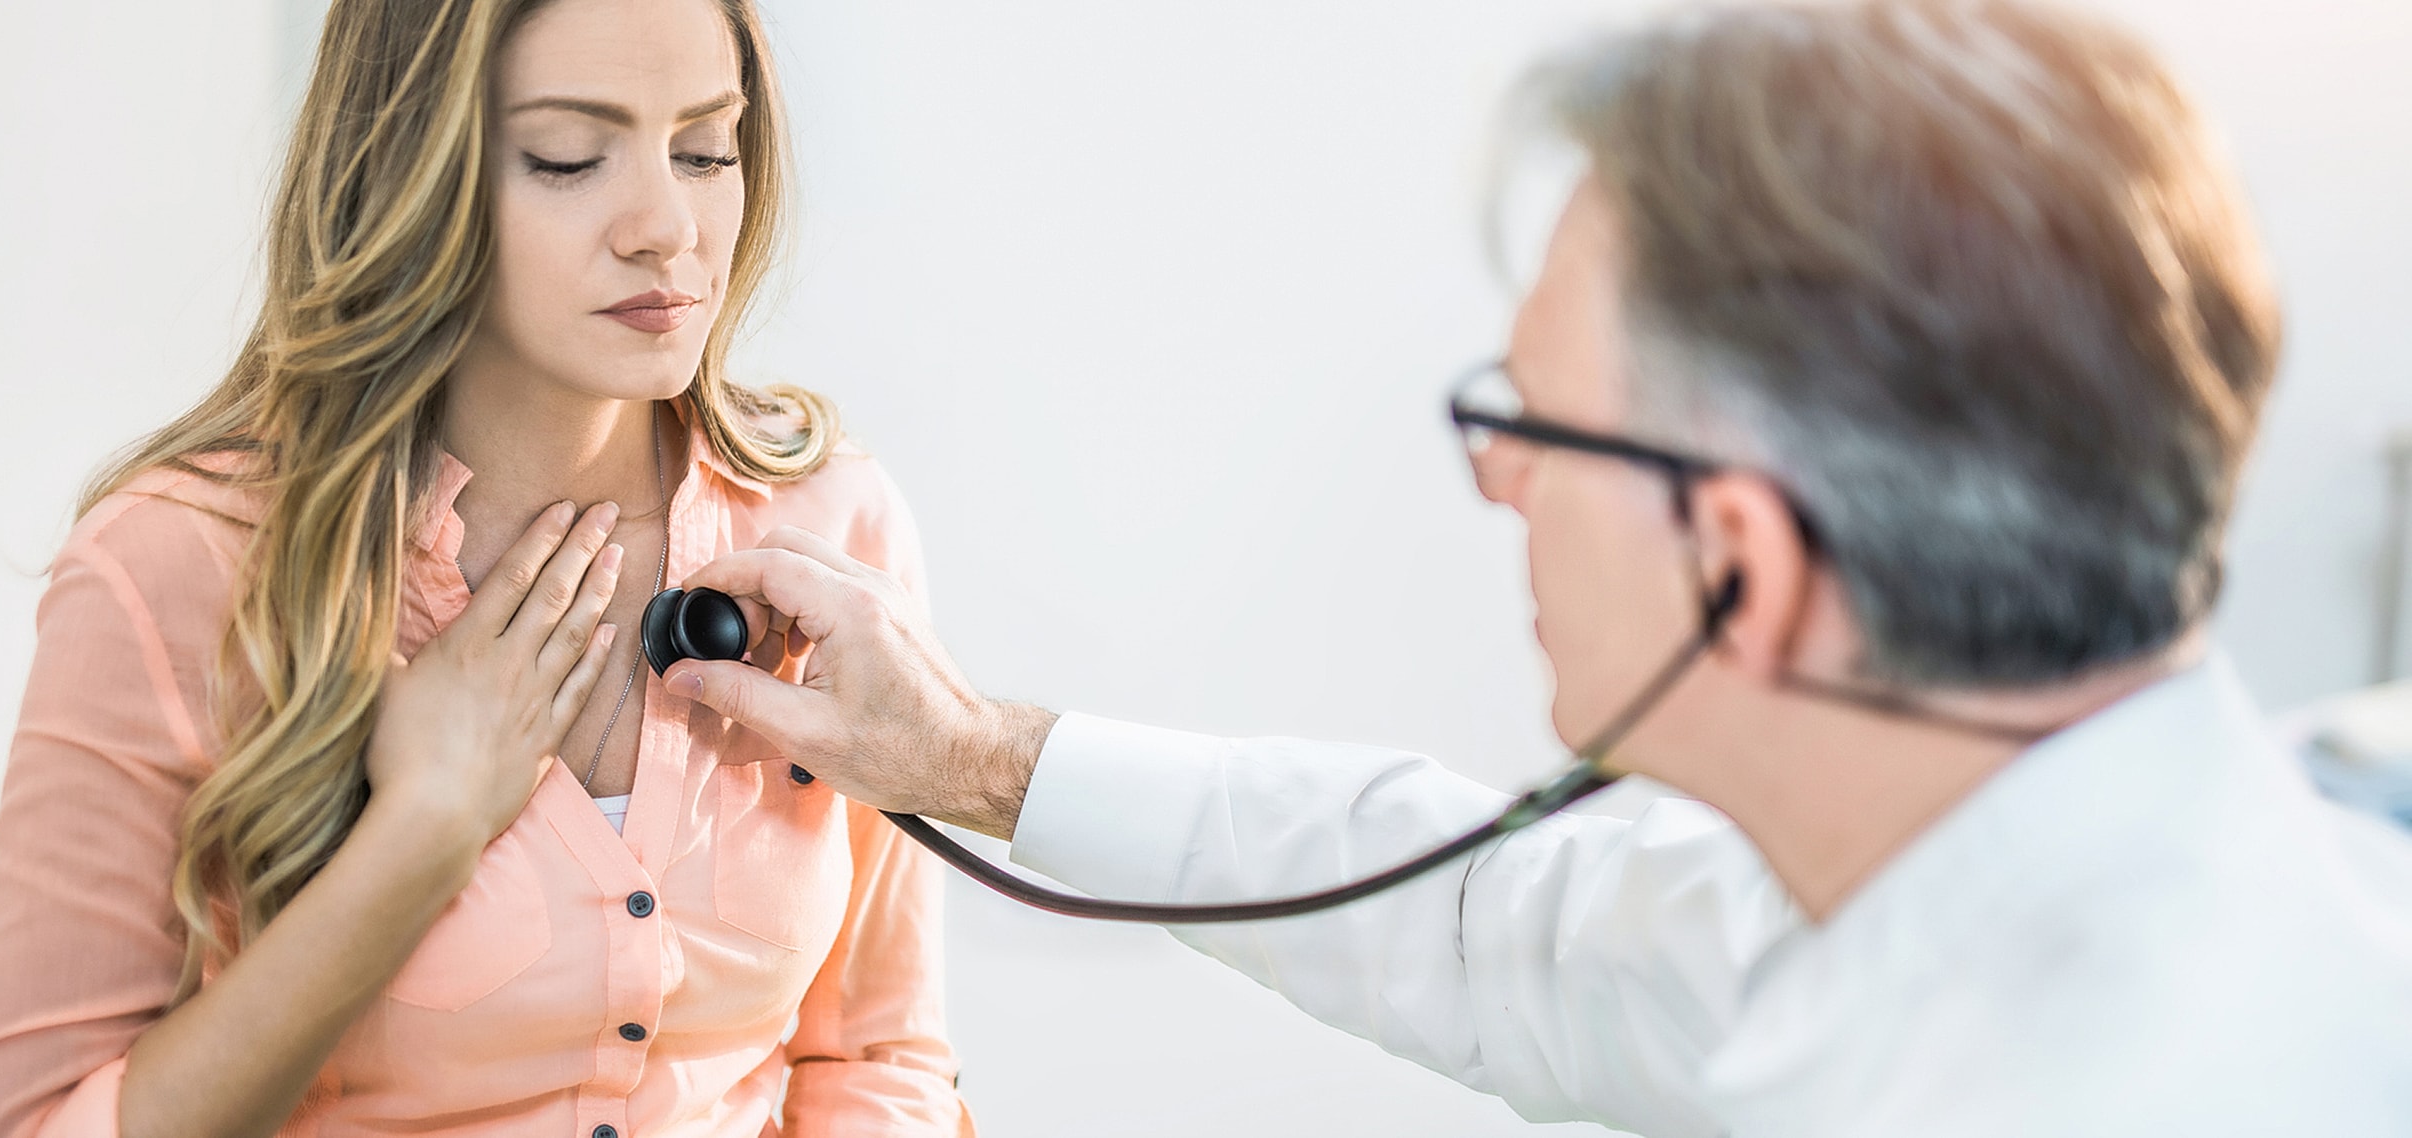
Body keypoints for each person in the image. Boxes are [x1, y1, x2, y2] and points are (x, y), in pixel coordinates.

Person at [659, 1, 2412, 1134]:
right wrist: (974, 750)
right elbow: (1496, 913)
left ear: (1740, 559)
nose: (1497, 479)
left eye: (1539, 423)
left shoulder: (2154, 1074)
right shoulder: (1954, 870)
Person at [0, 1, 968, 1136]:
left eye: (704, 150)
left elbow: (880, 1053)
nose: (666, 227)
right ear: (408, 174)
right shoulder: (176, 566)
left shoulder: (831, 523)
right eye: (568, 159)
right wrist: (417, 836)